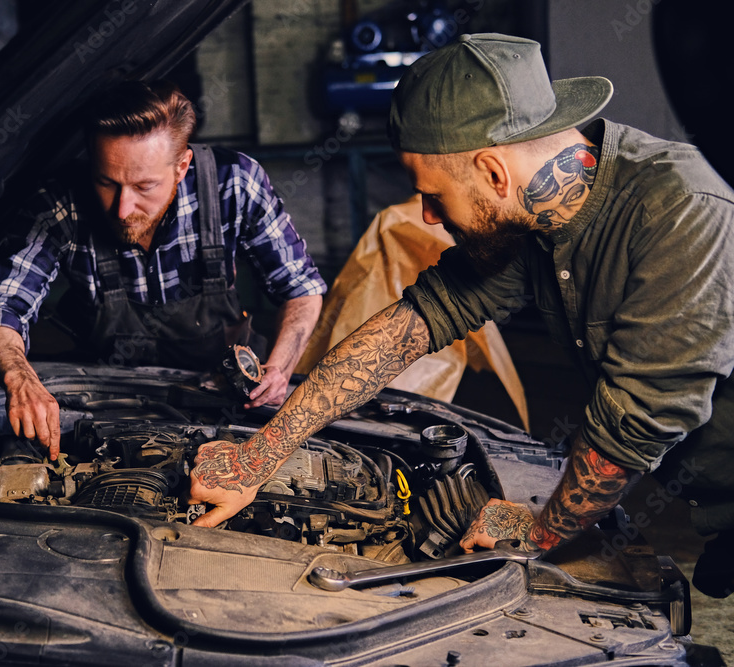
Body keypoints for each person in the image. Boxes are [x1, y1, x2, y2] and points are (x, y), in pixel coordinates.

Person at [188, 33, 734, 599]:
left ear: (495, 174)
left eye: (434, 195)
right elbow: (409, 325)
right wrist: (259, 456)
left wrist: (539, 531)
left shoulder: (680, 215)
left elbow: (632, 426)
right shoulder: (529, 217)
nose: (426, 215)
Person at [0, 80, 326, 458]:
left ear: (181, 166)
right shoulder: (61, 203)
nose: (123, 209)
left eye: (144, 186)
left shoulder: (234, 183)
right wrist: (20, 377)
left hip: (221, 397)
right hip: (107, 398)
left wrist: (282, 365)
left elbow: (301, 287)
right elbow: (1, 309)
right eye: (107, 182)